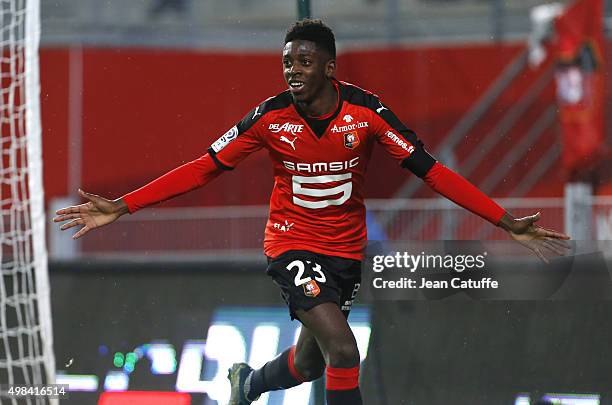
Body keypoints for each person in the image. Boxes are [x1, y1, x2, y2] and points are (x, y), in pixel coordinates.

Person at [53, 19, 570, 405]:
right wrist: (123, 206)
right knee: (344, 351)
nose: (291, 72)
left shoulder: (366, 113)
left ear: (328, 67)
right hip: (290, 244)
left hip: (345, 252)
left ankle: (249, 382)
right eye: (286, 63)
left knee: (308, 362)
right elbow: (204, 167)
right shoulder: (269, 117)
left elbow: (431, 170)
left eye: (302, 63)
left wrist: (504, 221)